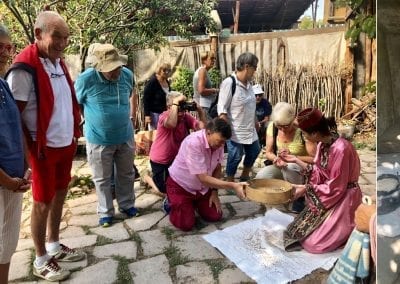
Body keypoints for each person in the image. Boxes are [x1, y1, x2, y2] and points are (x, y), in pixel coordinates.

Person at [6, 11, 85, 281]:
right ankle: (40, 258)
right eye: (57, 37)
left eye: (66, 38)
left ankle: (53, 243)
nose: (63, 43)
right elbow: (12, 118)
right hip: (41, 149)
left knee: (60, 193)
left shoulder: (58, 62)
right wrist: (22, 159)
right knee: (41, 202)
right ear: (38, 34)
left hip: (65, 144)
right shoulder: (23, 69)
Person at [75, 43, 138, 228]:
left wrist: (132, 116)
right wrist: (87, 119)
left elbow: (132, 93)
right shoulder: (86, 79)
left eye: (117, 66)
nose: (115, 71)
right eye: (110, 69)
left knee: (126, 174)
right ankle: (105, 212)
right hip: (99, 138)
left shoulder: (127, 75)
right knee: (102, 178)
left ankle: (127, 205)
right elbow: (76, 102)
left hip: (125, 135)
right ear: (99, 68)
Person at [283, 108, 362, 253]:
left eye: (305, 134)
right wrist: (295, 160)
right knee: (296, 232)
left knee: (314, 245)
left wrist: (306, 189)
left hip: (345, 197)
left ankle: (347, 230)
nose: (304, 137)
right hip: (332, 194)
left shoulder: (341, 149)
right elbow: (319, 172)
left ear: (314, 133)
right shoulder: (322, 144)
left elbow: (336, 187)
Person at [165, 118, 246, 231]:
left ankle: (192, 204)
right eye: (220, 141)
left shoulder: (218, 144)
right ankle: (169, 203)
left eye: (224, 142)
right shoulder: (193, 143)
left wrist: (214, 192)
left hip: (202, 188)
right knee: (186, 225)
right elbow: (203, 178)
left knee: (215, 216)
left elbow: (217, 167)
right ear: (208, 132)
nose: (222, 145)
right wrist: (233, 185)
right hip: (181, 186)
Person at [0, 24, 31, 284]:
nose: (4, 53)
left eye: (8, 47)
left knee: (7, 243)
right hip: (3, 181)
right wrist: (5, 179)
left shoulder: (3, 83)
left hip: (14, 180)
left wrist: (26, 167)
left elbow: (17, 124)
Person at [142, 91, 206, 197]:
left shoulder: (185, 116)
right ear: (169, 107)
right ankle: (147, 177)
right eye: (178, 107)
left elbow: (202, 129)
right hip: (161, 161)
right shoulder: (164, 116)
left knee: (178, 189)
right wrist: (175, 103)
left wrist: (200, 111)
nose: (181, 111)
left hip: (176, 160)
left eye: (182, 106)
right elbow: (171, 124)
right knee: (164, 191)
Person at [218, 52, 260, 182]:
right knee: (235, 155)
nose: (255, 70)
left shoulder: (249, 85)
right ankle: (230, 179)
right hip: (235, 129)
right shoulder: (229, 83)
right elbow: (222, 110)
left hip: (249, 128)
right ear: (247, 66)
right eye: (255, 67)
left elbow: (251, 105)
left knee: (254, 150)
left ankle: (245, 175)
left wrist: (256, 121)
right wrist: (226, 131)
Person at [143, 63, 172, 129]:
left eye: (169, 70)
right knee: (156, 135)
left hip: (165, 113)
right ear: (159, 70)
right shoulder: (152, 82)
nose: (167, 72)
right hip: (155, 114)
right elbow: (146, 99)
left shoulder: (166, 81)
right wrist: (147, 115)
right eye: (164, 70)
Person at [193, 51, 219, 118]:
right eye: (211, 58)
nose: (214, 61)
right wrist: (215, 90)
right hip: (202, 107)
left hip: (201, 106)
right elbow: (201, 91)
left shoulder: (202, 70)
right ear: (204, 60)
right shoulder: (202, 71)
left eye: (214, 59)